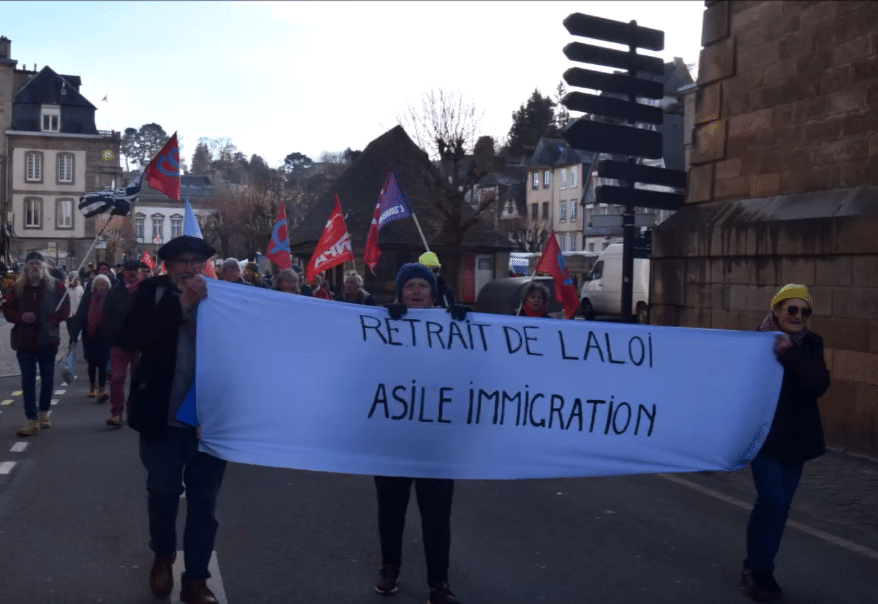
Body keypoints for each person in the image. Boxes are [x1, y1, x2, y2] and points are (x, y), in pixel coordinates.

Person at [119, 235, 225, 604]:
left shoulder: (225, 297)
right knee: (163, 494)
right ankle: (163, 555)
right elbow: (134, 335)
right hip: (161, 419)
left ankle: (196, 579)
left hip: (208, 422)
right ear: (168, 265)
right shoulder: (151, 292)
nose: (190, 268)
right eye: (182, 261)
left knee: (203, 504)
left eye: (197, 261)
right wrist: (183, 304)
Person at [375, 262, 468, 604]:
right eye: (409, 285)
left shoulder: (453, 326)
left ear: (433, 292)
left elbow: (468, 370)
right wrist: (385, 322)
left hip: (436, 443)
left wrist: (465, 324)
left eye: (422, 286)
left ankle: (438, 583)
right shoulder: (385, 323)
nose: (416, 291)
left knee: (437, 516)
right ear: (400, 292)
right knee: (390, 510)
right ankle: (390, 569)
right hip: (392, 440)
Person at [741, 284, 830, 603]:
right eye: (791, 309)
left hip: (799, 441)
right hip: (765, 439)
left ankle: (758, 565)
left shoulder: (811, 344)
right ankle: (758, 570)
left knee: (781, 508)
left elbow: (816, 385)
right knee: (772, 501)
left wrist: (789, 354)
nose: (798, 316)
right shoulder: (754, 343)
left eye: (805, 311)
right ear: (776, 310)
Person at [2, 252, 70, 436]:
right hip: (24, 341)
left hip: (48, 340)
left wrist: (50, 318)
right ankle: (31, 419)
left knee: (48, 379)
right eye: (31, 264)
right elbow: (7, 308)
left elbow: (65, 309)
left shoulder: (56, 286)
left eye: (38, 264)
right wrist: (20, 317)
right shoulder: (17, 287)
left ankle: (43, 414)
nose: (35, 267)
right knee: (28, 381)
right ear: (26, 267)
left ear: (44, 267)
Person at [104, 259, 148, 427]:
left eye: (135, 269)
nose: (133, 272)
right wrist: (113, 333)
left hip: (139, 343)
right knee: (117, 378)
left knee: (138, 379)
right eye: (130, 270)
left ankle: (134, 411)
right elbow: (107, 313)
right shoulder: (116, 289)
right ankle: (117, 412)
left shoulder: (145, 289)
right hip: (119, 341)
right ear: (123, 271)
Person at [70, 274, 113, 403]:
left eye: (104, 284)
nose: (101, 287)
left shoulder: (110, 299)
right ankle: (92, 384)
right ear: (95, 286)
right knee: (91, 362)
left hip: (105, 336)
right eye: (99, 284)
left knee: (103, 363)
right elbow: (80, 317)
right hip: (90, 335)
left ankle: (101, 388)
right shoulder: (88, 299)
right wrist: (74, 335)